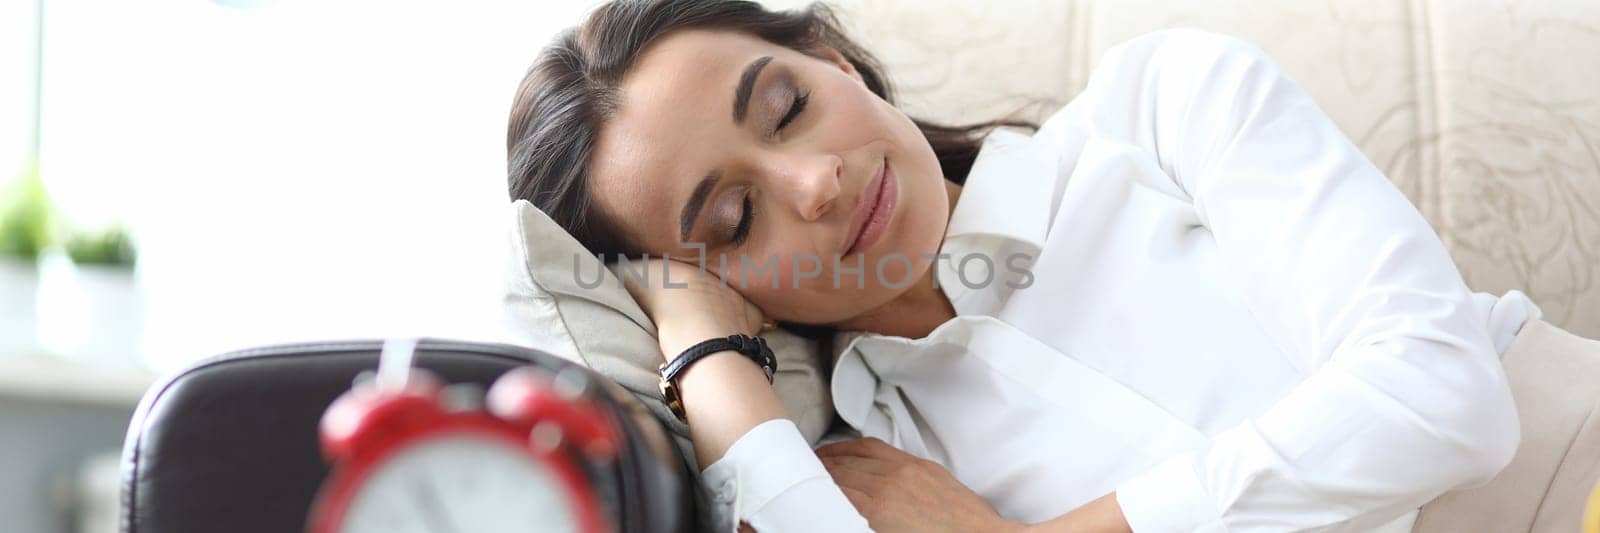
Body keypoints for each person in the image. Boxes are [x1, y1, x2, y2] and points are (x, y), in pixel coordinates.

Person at [504, 1, 1542, 531]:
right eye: (734, 216)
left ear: (832, 58)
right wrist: (701, 342)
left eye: (787, 106)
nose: (814, 183)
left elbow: (1448, 396)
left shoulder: (1160, 109)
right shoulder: (874, 452)